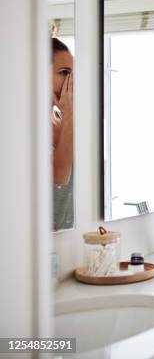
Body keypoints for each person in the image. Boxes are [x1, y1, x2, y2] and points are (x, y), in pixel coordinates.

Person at [51, 37, 74, 231]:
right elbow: (59, 176)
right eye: (64, 73)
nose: (71, 82)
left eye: (73, 74)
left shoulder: (62, 123)